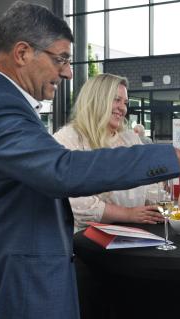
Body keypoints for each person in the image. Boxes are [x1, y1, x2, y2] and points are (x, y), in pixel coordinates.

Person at [0, 2, 180, 319]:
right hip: (12, 288)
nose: (67, 72)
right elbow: (63, 170)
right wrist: (169, 155)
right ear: (23, 53)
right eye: (61, 59)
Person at [54, 74, 163, 231]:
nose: (123, 108)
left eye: (125, 102)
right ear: (96, 100)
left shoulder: (130, 139)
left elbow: (149, 184)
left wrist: (159, 198)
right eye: (116, 100)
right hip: (86, 243)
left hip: (136, 236)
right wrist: (128, 214)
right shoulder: (69, 138)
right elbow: (73, 201)